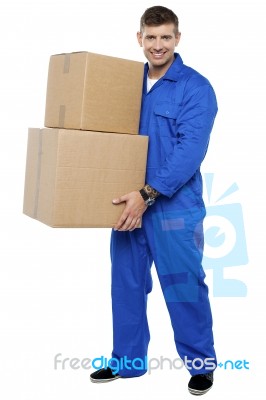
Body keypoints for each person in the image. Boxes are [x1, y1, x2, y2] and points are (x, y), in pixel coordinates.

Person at [90, 5, 218, 396]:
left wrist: (148, 195)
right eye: (151, 38)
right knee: (125, 284)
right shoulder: (126, 84)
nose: (158, 45)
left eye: (165, 37)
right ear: (139, 39)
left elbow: (189, 152)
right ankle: (127, 362)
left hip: (173, 208)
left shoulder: (195, 87)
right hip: (127, 203)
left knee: (182, 285)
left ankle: (200, 365)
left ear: (177, 39)